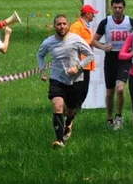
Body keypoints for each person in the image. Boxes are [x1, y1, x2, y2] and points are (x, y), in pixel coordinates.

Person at [37, 15, 95, 148]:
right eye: (58, 24)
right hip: (57, 79)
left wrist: (78, 67)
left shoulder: (76, 40)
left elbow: (90, 55)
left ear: (68, 25)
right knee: (57, 106)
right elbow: (40, 55)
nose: (61, 26)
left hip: (75, 81)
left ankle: (68, 123)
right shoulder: (48, 42)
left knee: (70, 111)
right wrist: (43, 71)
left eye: (64, 24)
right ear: (54, 26)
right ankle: (59, 141)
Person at [91, 0, 133, 130]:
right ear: (111, 8)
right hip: (110, 58)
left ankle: (119, 116)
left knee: (120, 89)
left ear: (124, 8)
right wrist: (103, 47)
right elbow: (94, 40)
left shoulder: (131, 22)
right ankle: (109, 118)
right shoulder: (105, 22)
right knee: (110, 92)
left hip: (124, 58)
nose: (118, 10)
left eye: (120, 7)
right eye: (115, 7)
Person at [69, 5, 98, 115]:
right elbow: (73, 43)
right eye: (92, 13)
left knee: (83, 90)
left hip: (86, 64)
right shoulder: (76, 26)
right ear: (87, 14)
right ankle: (73, 111)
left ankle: (76, 110)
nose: (94, 16)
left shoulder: (85, 26)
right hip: (80, 64)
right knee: (78, 90)